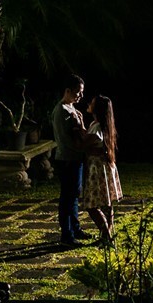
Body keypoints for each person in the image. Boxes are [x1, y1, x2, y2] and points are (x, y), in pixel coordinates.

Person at [51, 73, 92, 246]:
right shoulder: (61, 111)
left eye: (81, 92)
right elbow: (65, 141)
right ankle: (66, 235)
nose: (80, 96)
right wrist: (84, 148)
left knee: (74, 195)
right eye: (77, 92)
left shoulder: (72, 109)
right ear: (67, 91)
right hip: (68, 159)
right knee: (67, 197)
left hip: (75, 159)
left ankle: (75, 228)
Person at [81, 94, 123, 244]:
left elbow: (84, 143)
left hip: (97, 169)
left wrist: (79, 124)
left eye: (92, 102)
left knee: (92, 205)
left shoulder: (97, 126)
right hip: (104, 167)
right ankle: (106, 235)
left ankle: (106, 235)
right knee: (106, 203)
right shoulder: (100, 124)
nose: (89, 103)